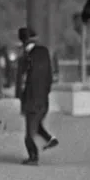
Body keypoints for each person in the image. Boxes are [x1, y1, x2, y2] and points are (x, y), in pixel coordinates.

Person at [16, 27, 58, 165]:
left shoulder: (25, 58)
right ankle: (50, 139)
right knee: (37, 124)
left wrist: (21, 98)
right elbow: (49, 77)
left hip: (31, 100)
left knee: (29, 134)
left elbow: (22, 81)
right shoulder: (44, 52)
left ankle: (33, 157)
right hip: (43, 99)